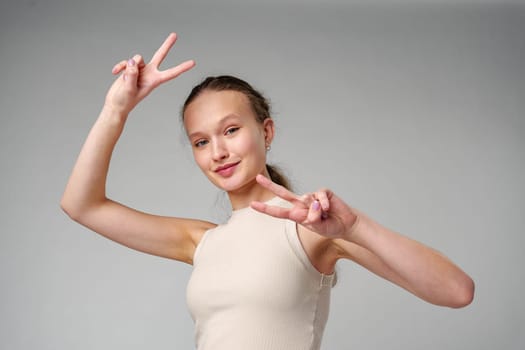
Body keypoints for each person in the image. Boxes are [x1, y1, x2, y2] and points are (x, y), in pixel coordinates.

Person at [61, 33, 474, 349]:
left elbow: (456, 292)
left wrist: (357, 228)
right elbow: (81, 205)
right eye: (201, 142)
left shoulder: (313, 229)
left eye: (231, 130)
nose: (218, 152)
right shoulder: (201, 241)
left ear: (266, 131)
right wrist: (116, 110)